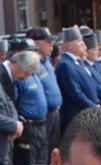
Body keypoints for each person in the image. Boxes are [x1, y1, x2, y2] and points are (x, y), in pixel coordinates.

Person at [25, 27, 64, 156]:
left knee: (54, 148)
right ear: (36, 43)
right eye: (48, 42)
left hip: (55, 114)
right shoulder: (32, 64)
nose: (52, 46)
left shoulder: (46, 61)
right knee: (44, 152)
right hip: (43, 118)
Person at [55, 26, 100, 132]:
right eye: (79, 41)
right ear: (70, 45)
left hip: (84, 113)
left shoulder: (76, 62)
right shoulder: (66, 64)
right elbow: (75, 93)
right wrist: (92, 106)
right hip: (75, 115)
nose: (83, 44)